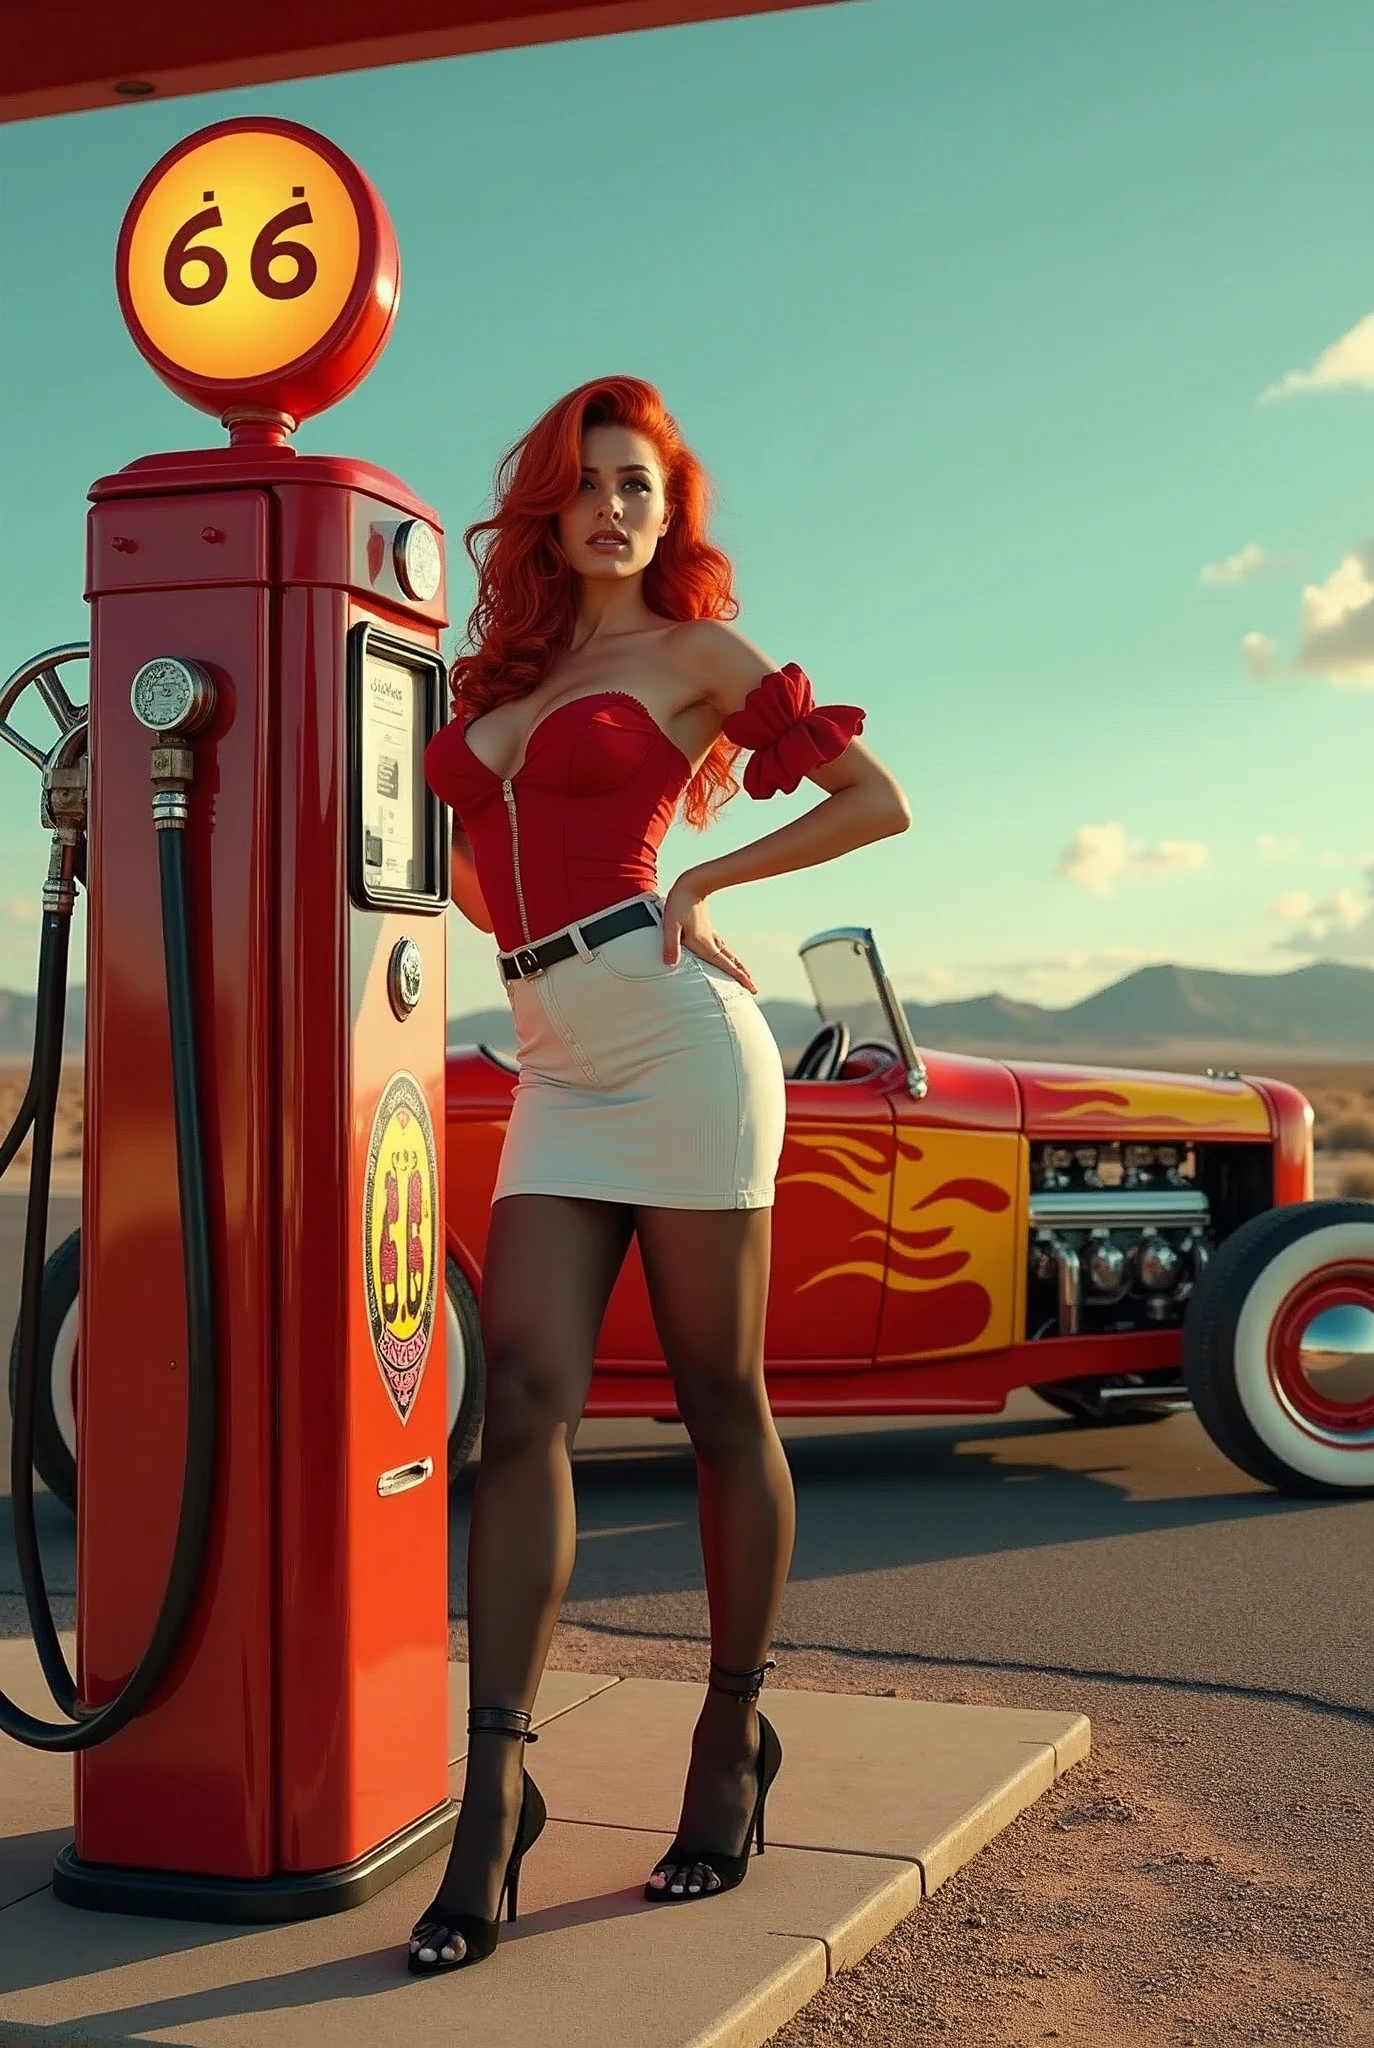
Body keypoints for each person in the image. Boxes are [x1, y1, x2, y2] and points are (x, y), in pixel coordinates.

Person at [408, 375, 911, 1972]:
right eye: (592, 483)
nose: (619, 506)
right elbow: (476, 878)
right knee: (529, 1394)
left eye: (644, 485)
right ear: (549, 510)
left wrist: (705, 871)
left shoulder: (693, 656)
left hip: (683, 1041)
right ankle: (498, 1790)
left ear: (664, 510)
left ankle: (730, 1741)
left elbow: (872, 798)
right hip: (555, 1051)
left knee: (715, 1400)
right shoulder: (506, 672)